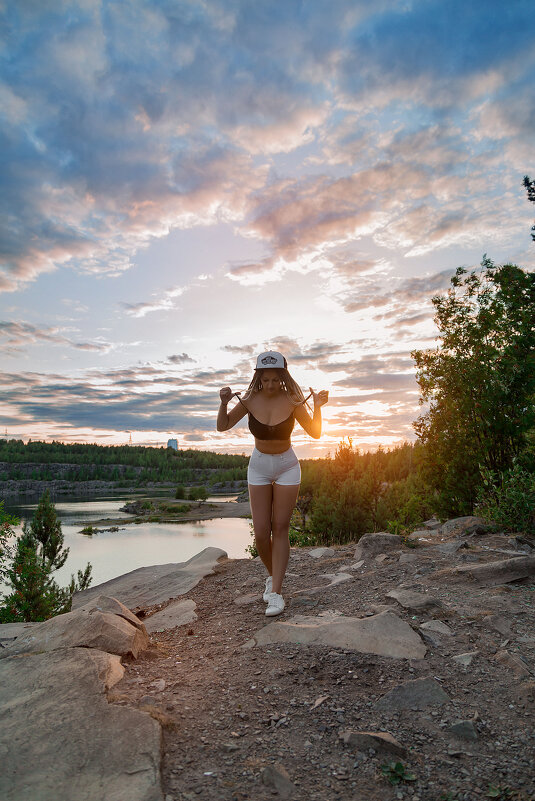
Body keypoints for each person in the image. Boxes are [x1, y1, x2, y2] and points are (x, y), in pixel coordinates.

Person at [217, 351, 328, 616]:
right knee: (260, 534)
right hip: (259, 466)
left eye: (275, 379)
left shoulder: (292, 400)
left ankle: (276, 593)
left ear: (282, 376)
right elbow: (223, 426)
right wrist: (222, 403)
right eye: (265, 379)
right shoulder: (248, 400)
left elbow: (315, 432)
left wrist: (319, 408)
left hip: (287, 466)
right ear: (258, 377)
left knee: (280, 528)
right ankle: (273, 576)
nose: (270, 384)